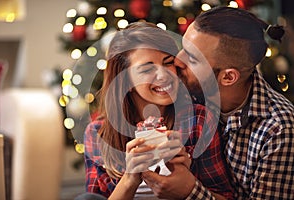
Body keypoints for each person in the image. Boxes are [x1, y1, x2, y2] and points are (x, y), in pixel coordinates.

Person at [142, 6, 294, 199]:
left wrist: (190, 191)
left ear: (228, 77)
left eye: (193, 58)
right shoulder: (185, 95)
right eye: (184, 47)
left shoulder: (280, 130)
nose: (178, 61)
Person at [83, 21, 234, 199]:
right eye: (147, 68)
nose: (164, 75)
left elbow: (226, 196)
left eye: (168, 62)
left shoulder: (198, 120)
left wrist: (188, 183)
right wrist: (130, 179)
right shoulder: (98, 134)